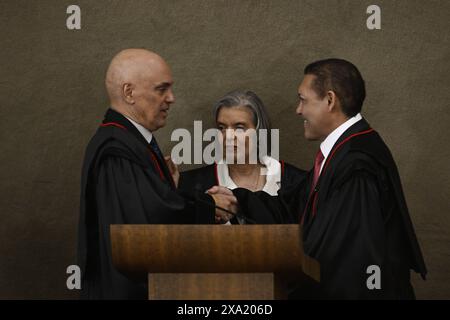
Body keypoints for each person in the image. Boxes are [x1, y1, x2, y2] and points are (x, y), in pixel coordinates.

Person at [78, 49, 237, 299]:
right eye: (161, 89)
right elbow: (148, 221)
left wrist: (168, 190)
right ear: (129, 92)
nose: (171, 98)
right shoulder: (116, 149)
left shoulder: (129, 141)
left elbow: (147, 205)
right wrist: (210, 206)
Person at [292, 58, 427, 299]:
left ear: (330, 100)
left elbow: (345, 257)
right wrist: (238, 200)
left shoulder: (357, 164)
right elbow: (300, 202)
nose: (298, 110)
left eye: (303, 100)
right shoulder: (345, 150)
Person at [179, 90, 306, 224]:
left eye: (239, 128)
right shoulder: (191, 185)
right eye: (222, 127)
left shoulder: (298, 183)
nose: (228, 136)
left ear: (259, 132)